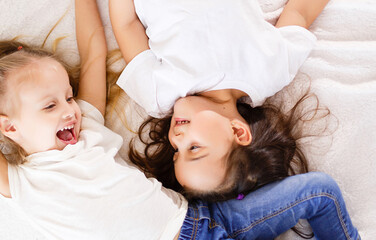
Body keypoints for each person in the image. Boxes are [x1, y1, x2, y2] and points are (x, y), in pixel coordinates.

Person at [0, 1, 359, 239]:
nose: (69, 109)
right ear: (10, 129)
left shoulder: (87, 125)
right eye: (51, 107)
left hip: (208, 227)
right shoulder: (15, 182)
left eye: (66, 96)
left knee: (319, 191)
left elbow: (96, 49)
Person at [110, 0, 335, 201]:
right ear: (238, 132)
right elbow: (300, 12)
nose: (177, 139)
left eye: (176, 151)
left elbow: (126, 24)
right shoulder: (269, 73)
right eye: (194, 148)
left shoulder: (159, 95)